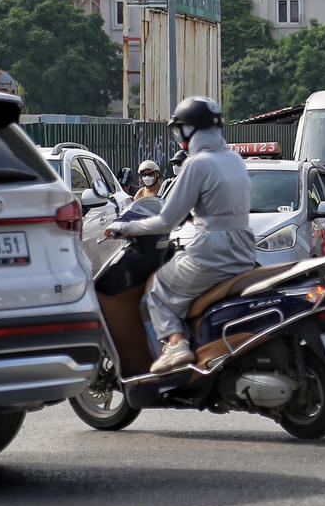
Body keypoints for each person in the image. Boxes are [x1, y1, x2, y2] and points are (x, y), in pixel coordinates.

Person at [105, 97, 255, 374]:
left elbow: (165, 220)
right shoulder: (234, 159)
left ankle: (175, 343)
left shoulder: (197, 164)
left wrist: (124, 228)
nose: (178, 137)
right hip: (244, 249)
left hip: (211, 250)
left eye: (179, 130)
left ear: (190, 130)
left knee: (158, 288)